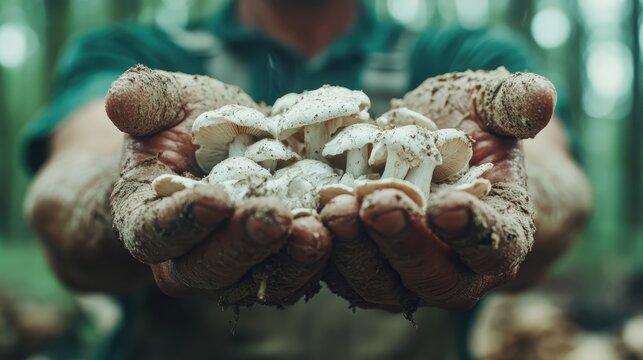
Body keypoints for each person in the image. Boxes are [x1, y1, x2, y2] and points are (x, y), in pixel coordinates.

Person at [23, 0, 592, 358]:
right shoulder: (138, 48)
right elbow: (69, 186)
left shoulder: (459, 50)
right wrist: (123, 192)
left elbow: (559, 185)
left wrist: (503, 204)